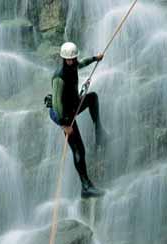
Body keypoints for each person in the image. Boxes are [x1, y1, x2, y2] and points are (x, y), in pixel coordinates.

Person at [47, 42, 109, 198]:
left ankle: (99, 132)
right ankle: (86, 187)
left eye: (73, 59)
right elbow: (56, 103)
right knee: (79, 149)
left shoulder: (74, 65)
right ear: (63, 59)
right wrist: (65, 125)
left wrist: (96, 58)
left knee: (92, 98)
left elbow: (82, 64)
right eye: (68, 59)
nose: (71, 62)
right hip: (63, 114)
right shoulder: (59, 77)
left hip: (72, 105)